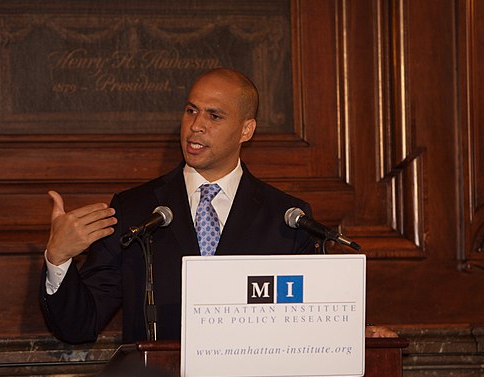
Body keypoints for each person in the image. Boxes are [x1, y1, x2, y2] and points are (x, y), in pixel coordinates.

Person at [40, 68, 317, 344]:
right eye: (190, 110)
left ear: (246, 130)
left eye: (214, 115)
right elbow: (79, 326)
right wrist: (59, 258)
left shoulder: (288, 220)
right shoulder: (134, 210)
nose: (196, 125)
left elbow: (304, 330)